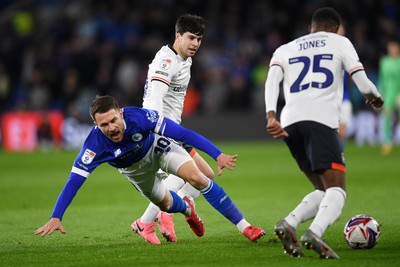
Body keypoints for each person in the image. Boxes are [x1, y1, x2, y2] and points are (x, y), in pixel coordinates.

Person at [34, 95, 265, 244]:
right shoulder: (94, 146)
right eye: (103, 125)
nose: (111, 128)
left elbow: (183, 134)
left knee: (199, 178)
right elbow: (74, 181)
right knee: (165, 204)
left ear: (121, 113)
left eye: (113, 120)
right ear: (96, 125)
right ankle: (188, 210)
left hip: (157, 150)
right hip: (135, 172)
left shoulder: (140, 117)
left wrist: (217, 154)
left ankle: (245, 227)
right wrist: (56, 216)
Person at [264, 7, 383, 259]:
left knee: (323, 188)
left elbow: (272, 80)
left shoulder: (286, 48)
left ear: (310, 28)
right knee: (338, 191)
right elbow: (362, 82)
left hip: (289, 122)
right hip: (320, 119)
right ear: (335, 29)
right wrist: (376, 97)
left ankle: (289, 223)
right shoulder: (340, 42)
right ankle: (315, 232)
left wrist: (271, 115)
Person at [134, 14, 213, 244]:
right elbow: (155, 99)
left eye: (199, 39)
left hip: (172, 128)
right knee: (187, 176)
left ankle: (163, 213)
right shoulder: (166, 61)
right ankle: (146, 221)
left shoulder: (185, 60)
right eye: (191, 38)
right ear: (177, 36)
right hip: (160, 128)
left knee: (204, 176)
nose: (195, 44)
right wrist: (157, 132)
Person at [379, 37, 400, 155]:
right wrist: (380, 92)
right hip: (388, 93)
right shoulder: (384, 61)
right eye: (390, 47)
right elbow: (381, 78)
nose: (392, 49)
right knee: (386, 116)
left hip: (398, 92)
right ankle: (387, 142)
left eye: (394, 47)